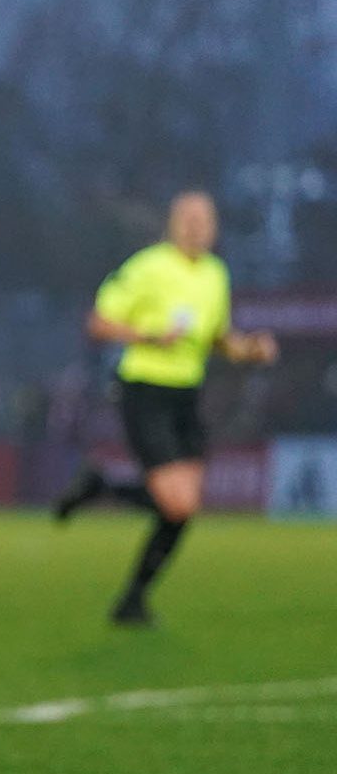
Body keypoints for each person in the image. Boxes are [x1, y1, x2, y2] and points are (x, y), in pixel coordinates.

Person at [53, 191, 277, 627]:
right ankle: (103, 498)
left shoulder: (216, 274)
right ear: (173, 224)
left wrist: (249, 349)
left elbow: (218, 336)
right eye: (188, 218)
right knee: (174, 504)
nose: (196, 227)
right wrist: (147, 335)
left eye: (204, 220)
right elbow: (98, 323)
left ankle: (131, 596)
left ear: (214, 228)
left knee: (183, 508)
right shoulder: (148, 267)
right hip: (145, 389)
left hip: (186, 396)